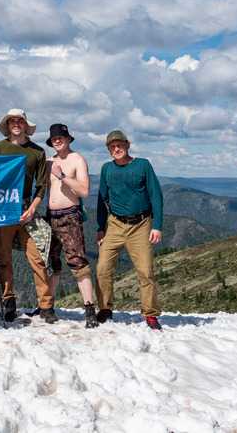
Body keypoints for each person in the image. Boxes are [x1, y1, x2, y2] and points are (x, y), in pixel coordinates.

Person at [0, 108, 56, 324]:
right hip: (3, 209)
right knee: (4, 257)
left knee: (37, 258)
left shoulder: (37, 152)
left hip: (28, 209)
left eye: (20, 120)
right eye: (12, 121)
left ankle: (46, 305)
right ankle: (8, 302)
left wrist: (34, 207)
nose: (16, 124)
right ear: (7, 125)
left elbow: (42, 184)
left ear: (26, 124)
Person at [96, 130, 164, 330]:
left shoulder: (143, 165)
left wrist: (157, 225)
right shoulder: (106, 169)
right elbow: (101, 200)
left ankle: (150, 313)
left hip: (141, 224)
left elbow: (156, 196)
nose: (116, 149)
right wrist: (101, 228)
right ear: (109, 150)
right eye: (112, 146)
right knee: (102, 268)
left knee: (145, 270)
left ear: (127, 145)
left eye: (119, 145)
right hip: (115, 223)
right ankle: (105, 308)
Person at [45, 123, 98, 328]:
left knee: (78, 262)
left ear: (68, 139)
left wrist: (63, 177)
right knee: (51, 263)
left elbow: (84, 190)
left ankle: (89, 307)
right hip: (51, 216)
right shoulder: (49, 161)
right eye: (54, 138)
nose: (58, 140)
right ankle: (47, 305)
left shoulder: (77, 159)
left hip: (69, 215)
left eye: (61, 137)